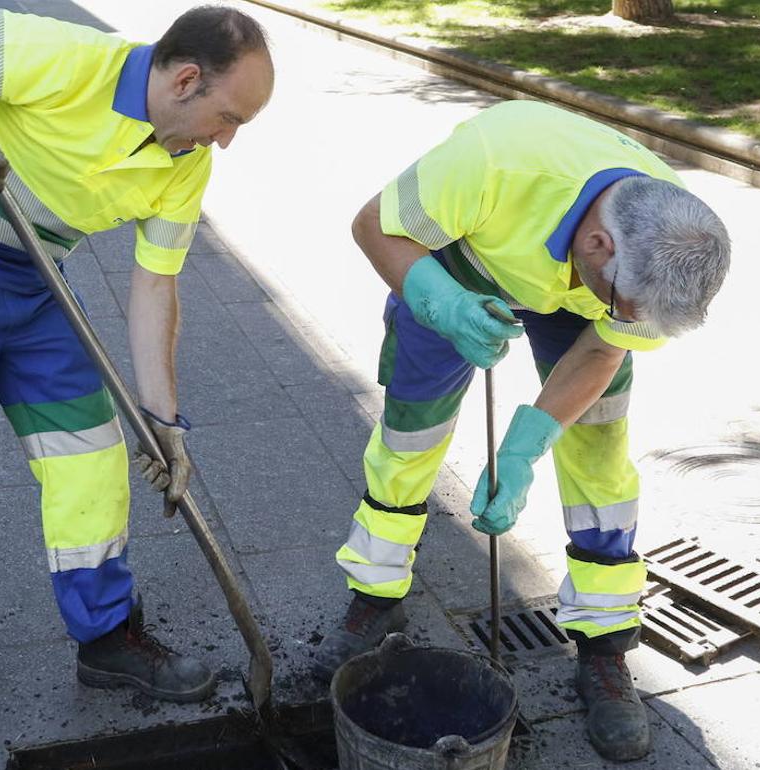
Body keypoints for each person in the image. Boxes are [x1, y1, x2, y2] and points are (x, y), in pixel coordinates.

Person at [0, 4, 273, 767]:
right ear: (186, 80)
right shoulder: (64, 58)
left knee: (92, 458)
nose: (227, 139)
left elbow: (156, 290)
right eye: (228, 116)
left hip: (37, 279)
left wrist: (165, 420)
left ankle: (107, 636)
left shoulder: (185, 164)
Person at [313, 99, 731, 762]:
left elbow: (603, 347)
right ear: (599, 246)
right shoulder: (494, 160)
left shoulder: (664, 249)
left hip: (575, 299)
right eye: (625, 305)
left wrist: (526, 446)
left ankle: (603, 649)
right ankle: (376, 593)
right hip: (456, 267)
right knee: (410, 436)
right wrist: (443, 303)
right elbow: (375, 226)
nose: (630, 319)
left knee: (599, 456)